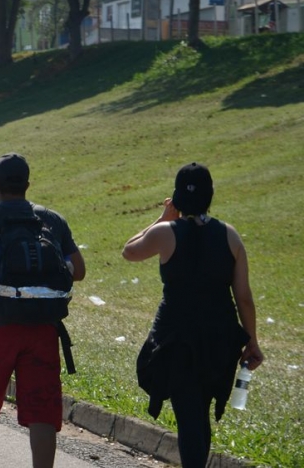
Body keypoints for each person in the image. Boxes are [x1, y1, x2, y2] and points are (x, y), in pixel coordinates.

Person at [122, 162, 264, 468]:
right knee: (199, 411)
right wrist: (252, 341)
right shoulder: (230, 236)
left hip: (177, 337)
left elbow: (129, 251)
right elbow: (244, 297)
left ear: (176, 198)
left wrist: (161, 218)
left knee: (189, 415)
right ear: (210, 196)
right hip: (220, 336)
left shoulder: (165, 232)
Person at [0, 153, 86, 468]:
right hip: (43, 328)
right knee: (42, 411)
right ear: (27, 185)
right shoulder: (52, 220)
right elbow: (78, 270)